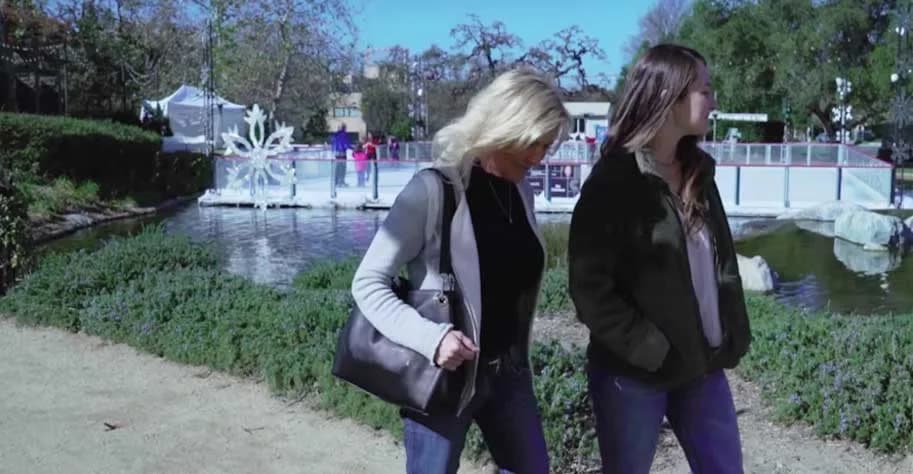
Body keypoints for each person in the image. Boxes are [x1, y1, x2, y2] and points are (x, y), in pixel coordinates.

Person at [350, 68, 569, 474]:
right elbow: (367, 283)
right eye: (536, 143)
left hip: (510, 376)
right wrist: (432, 339)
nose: (541, 157)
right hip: (443, 377)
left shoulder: (522, 192)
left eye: (548, 146)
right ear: (507, 127)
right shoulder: (431, 192)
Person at [568, 44, 751, 474]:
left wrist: (733, 330)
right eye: (705, 90)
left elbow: (722, 265)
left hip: (701, 367)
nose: (714, 100)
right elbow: (589, 290)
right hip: (633, 376)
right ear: (671, 97)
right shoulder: (613, 182)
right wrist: (651, 349)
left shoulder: (699, 173)